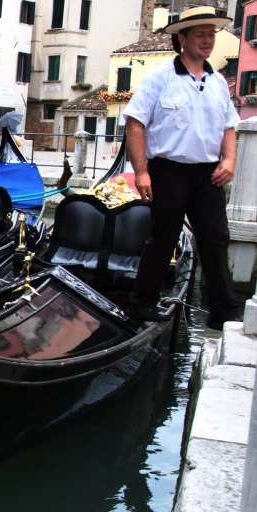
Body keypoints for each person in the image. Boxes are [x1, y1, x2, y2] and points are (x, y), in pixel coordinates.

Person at [122, 6, 241, 330]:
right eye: (200, 35)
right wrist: (142, 171)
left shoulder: (217, 82)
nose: (207, 41)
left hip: (208, 173)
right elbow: (135, 123)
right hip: (169, 169)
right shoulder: (160, 77)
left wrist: (229, 160)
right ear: (182, 38)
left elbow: (229, 126)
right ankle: (141, 303)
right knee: (163, 237)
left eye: (210, 35)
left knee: (215, 238)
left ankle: (224, 311)